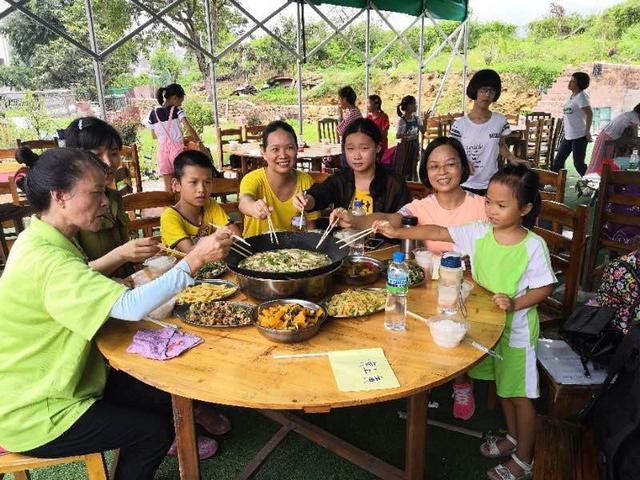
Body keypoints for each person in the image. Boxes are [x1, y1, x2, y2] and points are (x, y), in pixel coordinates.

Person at [0, 148, 234, 479]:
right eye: (96, 193)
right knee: (152, 433)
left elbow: (86, 283)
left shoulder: (38, 238)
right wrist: (195, 259)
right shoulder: (49, 259)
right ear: (60, 196)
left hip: (69, 380)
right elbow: (129, 307)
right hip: (36, 410)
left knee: (162, 393)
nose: (106, 203)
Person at [373, 164, 556, 480]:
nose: (492, 211)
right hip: (488, 326)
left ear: (525, 208)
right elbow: (438, 231)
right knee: (503, 388)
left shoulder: (532, 246)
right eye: (488, 202)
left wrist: (515, 303)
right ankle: (513, 439)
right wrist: (399, 232)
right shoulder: (481, 232)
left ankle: (525, 459)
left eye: (502, 205)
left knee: (519, 395)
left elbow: (545, 287)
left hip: (518, 333)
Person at [64, 117, 158, 279]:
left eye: (114, 153)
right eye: (96, 155)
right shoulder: (68, 209)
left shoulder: (113, 197)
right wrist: (122, 254)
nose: (108, 162)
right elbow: (73, 277)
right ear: (75, 159)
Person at [293, 118, 410, 219]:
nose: (356, 156)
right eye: (350, 148)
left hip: (385, 245)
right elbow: (321, 193)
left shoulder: (394, 184)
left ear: (378, 147)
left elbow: (405, 220)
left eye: (364, 148)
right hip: (343, 243)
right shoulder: (341, 179)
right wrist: (307, 199)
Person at [451, 69, 527, 196]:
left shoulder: (500, 121)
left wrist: (511, 157)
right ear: (475, 91)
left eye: (491, 91)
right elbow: (453, 151)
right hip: (464, 184)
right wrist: (464, 162)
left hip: (492, 183)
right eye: (483, 90)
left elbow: (501, 144)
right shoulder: (459, 125)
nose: (487, 95)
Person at [239, 121, 320, 237]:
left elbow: (311, 228)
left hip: (295, 251)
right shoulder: (253, 179)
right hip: (256, 251)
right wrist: (253, 207)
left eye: (289, 148)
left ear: (297, 149)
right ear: (263, 152)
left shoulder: (305, 180)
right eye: (275, 149)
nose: (283, 155)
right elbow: (244, 202)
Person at [161, 150, 241, 251]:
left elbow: (236, 235)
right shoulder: (170, 217)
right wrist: (217, 238)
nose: (201, 189)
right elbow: (191, 252)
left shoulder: (210, 204)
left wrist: (226, 237)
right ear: (176, 185)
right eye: (193, 182)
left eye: (207, 182)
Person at [147, 83, 201, 192]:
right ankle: (185, 207)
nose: (181, 104)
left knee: (168, 186)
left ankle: (170, 207)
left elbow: (153, 136)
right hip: (177, 150)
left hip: (162, 151)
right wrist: (200, 143)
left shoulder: (153, 113)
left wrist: (167, 137)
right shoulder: (177, 110)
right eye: (181, 101)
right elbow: (189, 128)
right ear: (175, 98)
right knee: (184, 183)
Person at [552, 71, 593, 176]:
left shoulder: (582, 97)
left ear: (579, 84)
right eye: (570, 80)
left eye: (573, 81)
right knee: (558, 162)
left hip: (579, 135)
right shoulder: (571, 96)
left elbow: (589, 114)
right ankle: (555, 185)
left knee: (578, 164)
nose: (569, 83)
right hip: (569, 135)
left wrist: (587, 131)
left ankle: (593, 185)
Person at [586, 103, 640, 175]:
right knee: (604, 163)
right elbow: (635, 138)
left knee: (601, 161)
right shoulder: (634, 117)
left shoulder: (629, 114)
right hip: (608, 138)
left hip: (606, 136)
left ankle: (599, 179)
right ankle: (597, 179)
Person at [394, 95, 424, 181]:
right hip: (405, 147)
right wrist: (407, 135)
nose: (416, 106)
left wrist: (425, 120)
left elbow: (423, 131)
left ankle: (413, 184)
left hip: (414, 146)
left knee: (413, 166)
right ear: (408, 106)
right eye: (414, 104)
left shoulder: (416, 119)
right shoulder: (402, 120)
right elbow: (397, 135)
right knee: (404, 167)